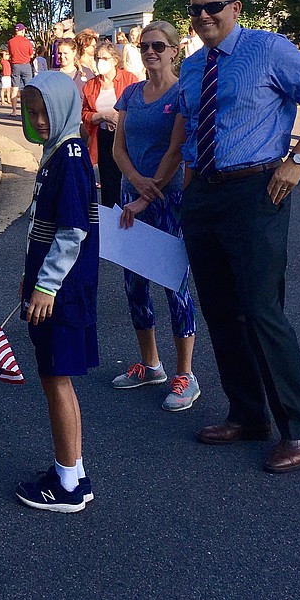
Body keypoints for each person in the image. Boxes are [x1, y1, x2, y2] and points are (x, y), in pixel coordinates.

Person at [178, 0, 300, 473]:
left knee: (261, 311)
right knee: (220, 310)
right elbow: (189, 132)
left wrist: (297, 160)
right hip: (204, 195)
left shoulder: (267, 50)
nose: (204, 16)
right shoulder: (191, 69)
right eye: (196, 10)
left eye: (213, 7)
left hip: (257, 191)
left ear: (236, 7)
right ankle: (248, 415)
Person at [15, 70, 99, 513]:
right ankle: (73, 471)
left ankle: (68, 484)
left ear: (64, 106)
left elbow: (72, 231)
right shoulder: (59, 152)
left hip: (61, 294)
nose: (39, 118)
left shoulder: (68, 157)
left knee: (57, 379)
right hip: (53, 288)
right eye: (32, 111)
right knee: (54, 377)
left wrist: (44, 286)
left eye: (45, 109)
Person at [111, 21, 198, 411]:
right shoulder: (130, 93)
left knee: (173, 287)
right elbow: (118, 148)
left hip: (167, 202)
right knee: (135, 286)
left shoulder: (181, 93)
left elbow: (176, 151)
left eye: (159, 46)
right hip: (131, 199)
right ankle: (151, 365)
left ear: (174, 51)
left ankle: (186, 374)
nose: (150, 52)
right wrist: (133, 184)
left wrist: (147, 196)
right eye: (145, 46)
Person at [82, 41, 138, 207]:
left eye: (105, 58)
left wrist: (119, 118)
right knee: (108, 181)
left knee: (127, 178)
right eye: (98, 58)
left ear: (114, 60)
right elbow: (85, 114)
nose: (100, 62)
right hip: (103, 137)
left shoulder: (129, 79)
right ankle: (110, 219)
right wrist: (103, 116)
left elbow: (137, 107)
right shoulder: (91, 85)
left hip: (126, 136)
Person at [7, 23, 34, 116]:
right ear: (22, 31)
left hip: (15, 65)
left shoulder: (10, 42)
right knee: (29, 88)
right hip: (26, 65)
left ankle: (14, 111)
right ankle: (29, 110)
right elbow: (31, 54)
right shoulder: (27, 42)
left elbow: (10, 53)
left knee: (14, 89)